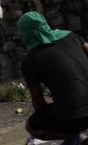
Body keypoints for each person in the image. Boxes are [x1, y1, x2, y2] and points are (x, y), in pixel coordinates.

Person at [18, 11, 88, 145]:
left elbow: (38, 103)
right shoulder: (71, 36)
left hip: (74, 115)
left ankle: (77, 137)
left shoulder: (30, 60)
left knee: (31, 125)